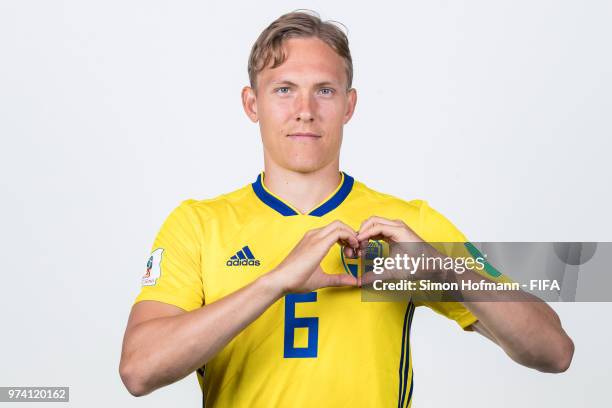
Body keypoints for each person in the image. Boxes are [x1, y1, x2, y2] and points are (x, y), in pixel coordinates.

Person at [119, 11, 574, 407]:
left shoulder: (405, 226)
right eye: (283, 90)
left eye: (325, 91)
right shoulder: (199, 225)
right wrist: (276, 281)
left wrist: (442, 268)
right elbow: (139, 371)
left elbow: (554, 352)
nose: (304, 110)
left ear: (349, 105)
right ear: (251, 104)